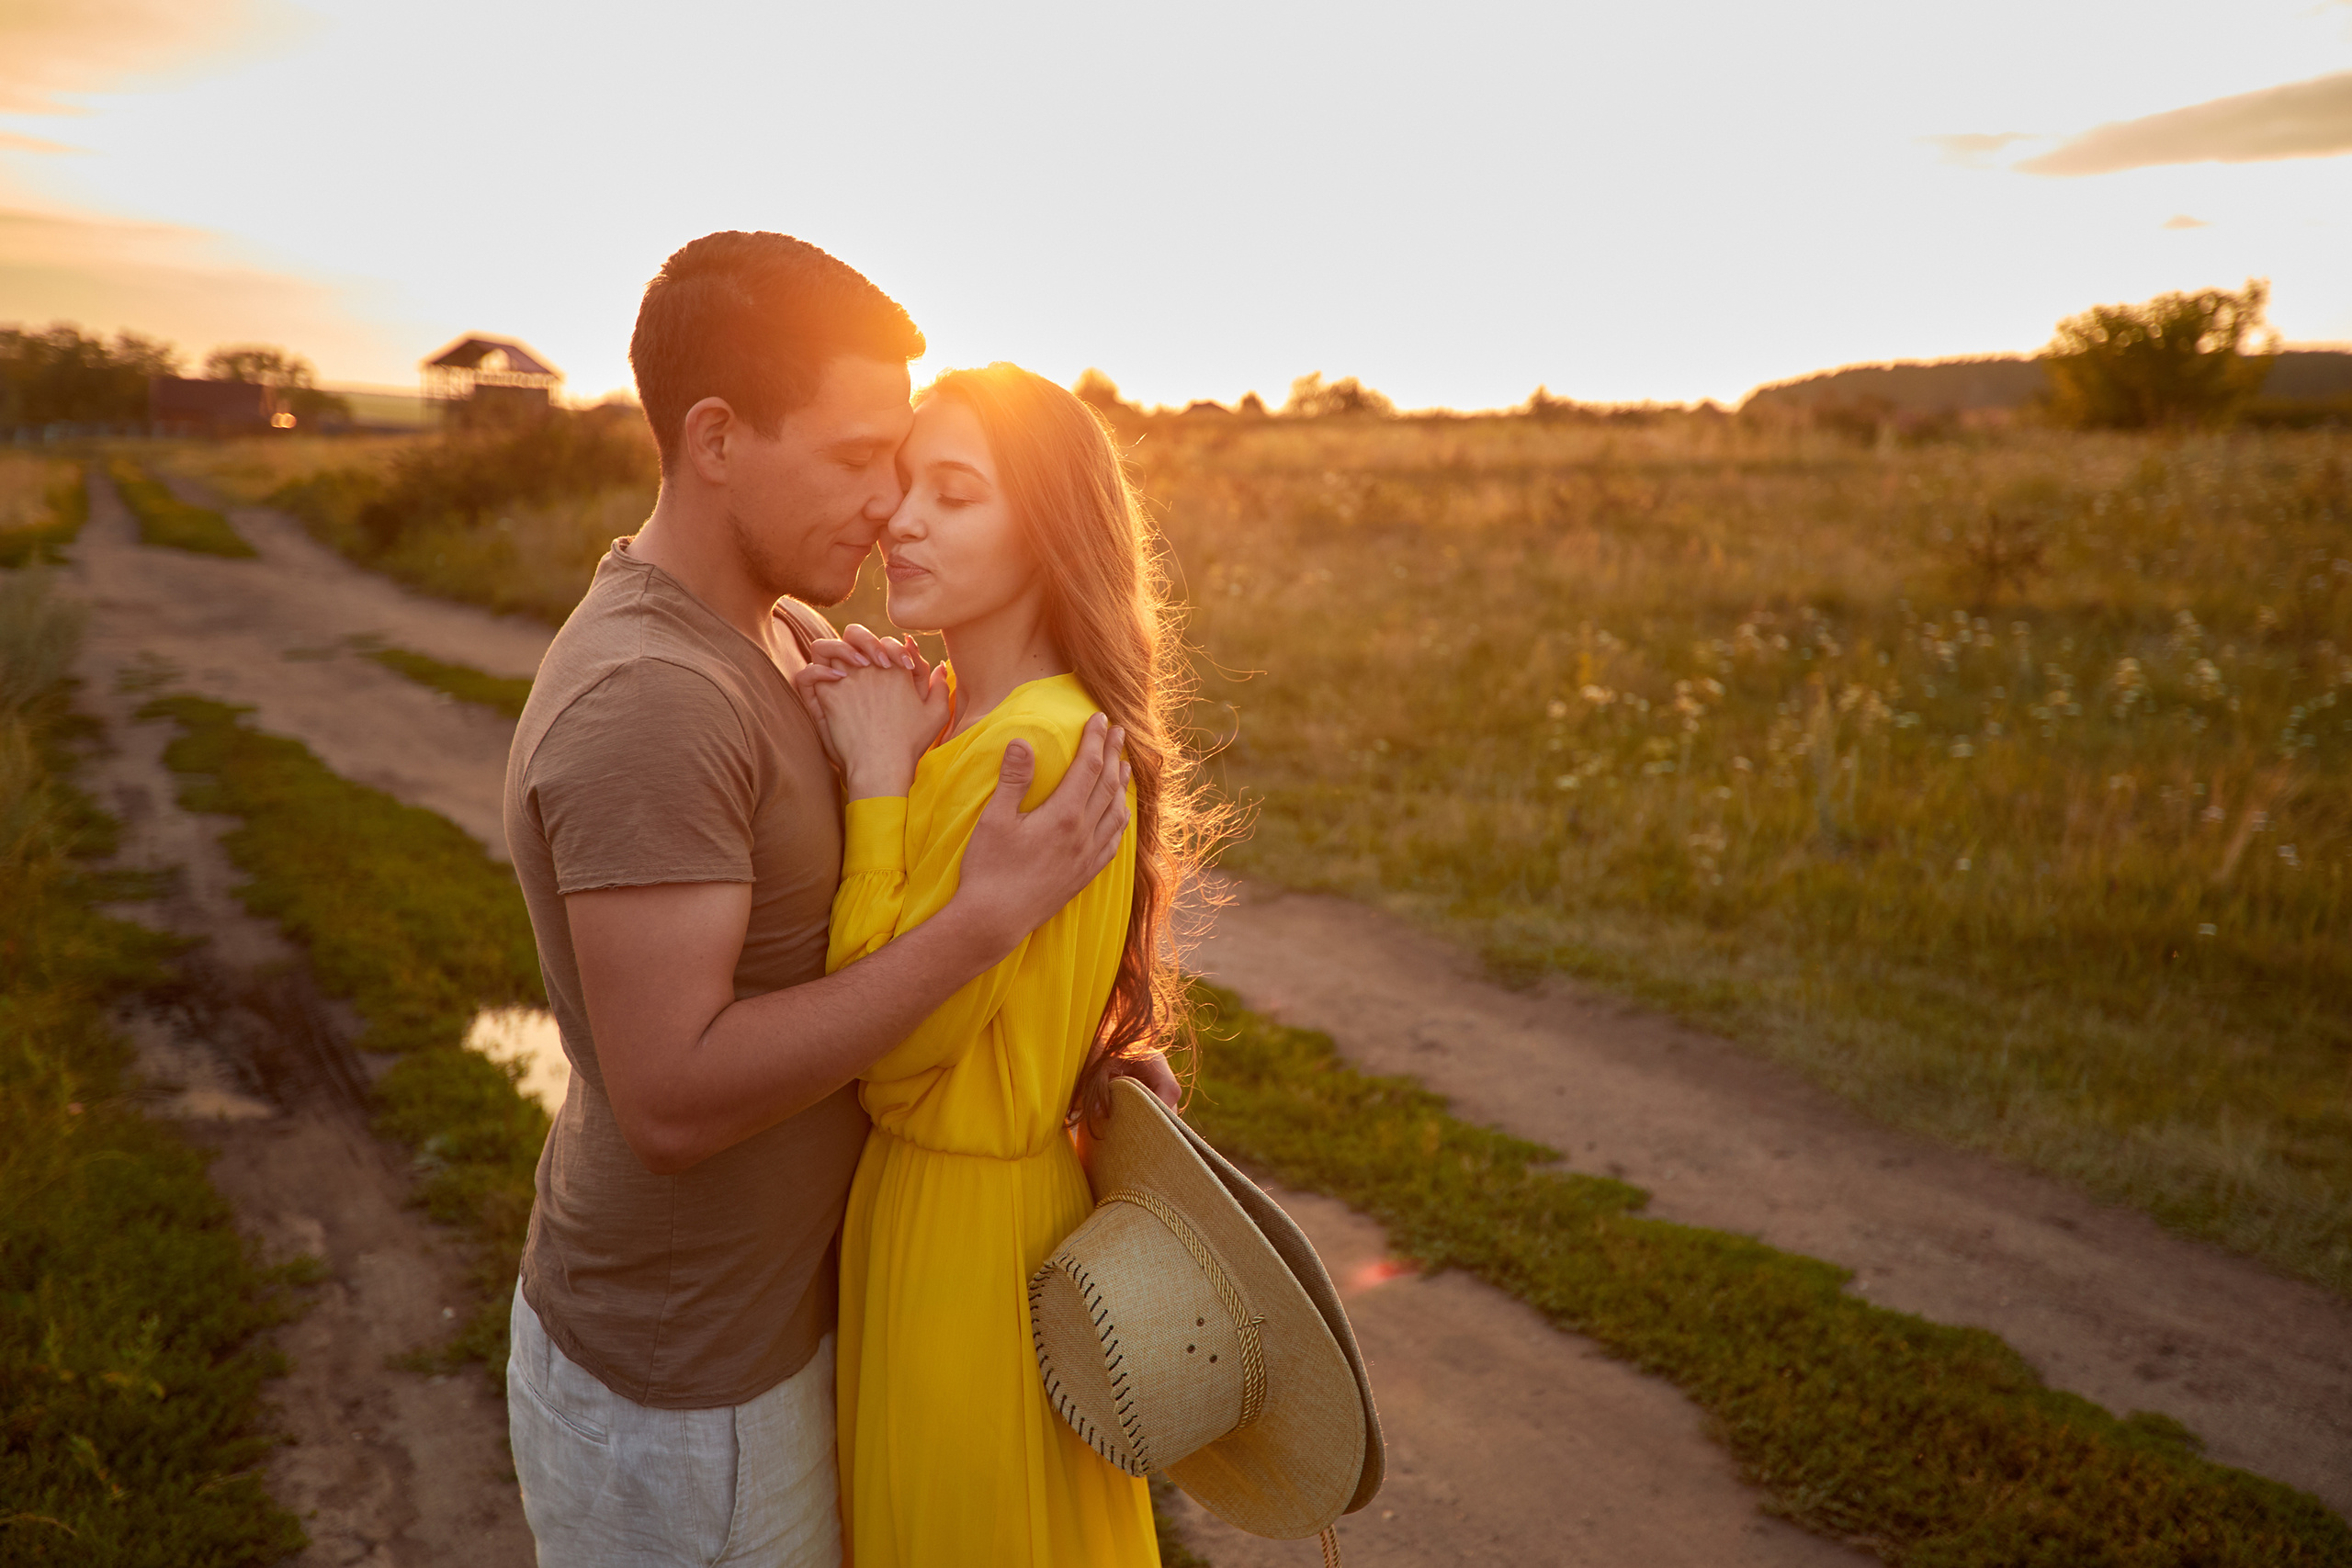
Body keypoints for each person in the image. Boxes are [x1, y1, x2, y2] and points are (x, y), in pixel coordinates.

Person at [500, 233, 1170, 1567]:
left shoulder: (789, 633)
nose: (886, 507)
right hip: (693, 1389)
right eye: (860, 458)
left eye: (916, 467)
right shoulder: (654, 701)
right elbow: (675, 1099)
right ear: (717, 438)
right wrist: (979, 924)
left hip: (805, 1325)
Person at [791, 363, 1214, 1565]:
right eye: (905, 483)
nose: (900, 519)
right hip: (1019, 1205)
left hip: (956, 1237)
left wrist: (877, 783)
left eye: (955, 493)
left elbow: (883, 1048)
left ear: (1046, 528)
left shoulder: (1020, 750)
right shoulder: (1021, 720)